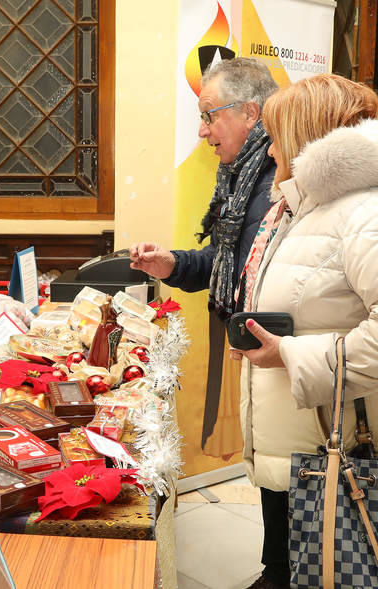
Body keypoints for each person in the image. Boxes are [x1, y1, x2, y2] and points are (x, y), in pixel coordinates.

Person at [230, 74, 378, 589]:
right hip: (311, 430)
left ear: (305, 135)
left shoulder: (368, 212)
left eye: (277, 134)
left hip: (343, 437)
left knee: (345, 561)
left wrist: (295, 356)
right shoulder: (305, 207)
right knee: (306, 561)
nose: (271, 148)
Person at [130, 57, 279, 451]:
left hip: (282, 361)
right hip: (259, 356)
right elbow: (225, 258)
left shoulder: (283, 181)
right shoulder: (240, 177)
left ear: (250, 112)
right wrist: (173, 264)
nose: (202, 131)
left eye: (209, 116)